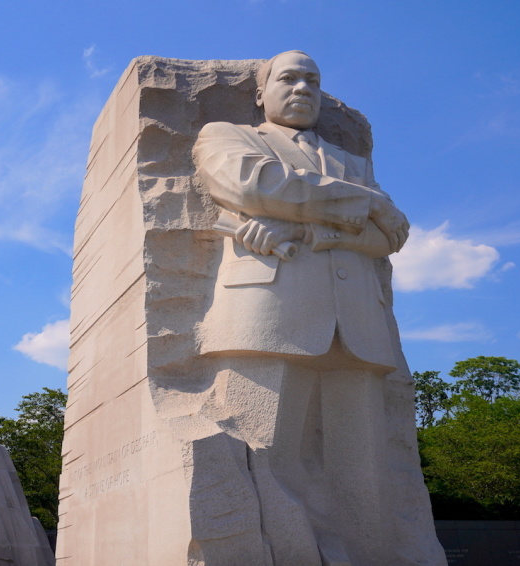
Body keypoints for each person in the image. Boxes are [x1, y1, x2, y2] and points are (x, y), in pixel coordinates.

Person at [191, 51, 446, 566]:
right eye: (289, 78)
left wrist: (308, 229)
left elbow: (391, 235)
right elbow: (252, 185)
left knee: (365, 478)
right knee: (262, 456)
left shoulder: (352, 163)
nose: (303, 88)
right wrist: (364, 203)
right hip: (268, 314)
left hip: (357, 324)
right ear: (261, 92)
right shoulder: (228, 136)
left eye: (312, 80)